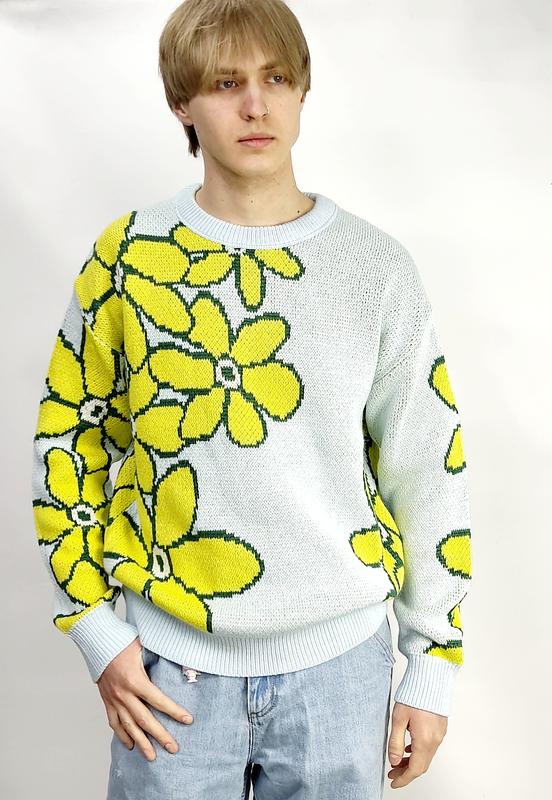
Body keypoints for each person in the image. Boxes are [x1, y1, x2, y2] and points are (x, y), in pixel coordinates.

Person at [30, 0, 473, 797]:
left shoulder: (375, 270)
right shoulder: (128, 259)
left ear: (303, 90)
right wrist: (96, 630)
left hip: (342, 672)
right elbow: (69, 443)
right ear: (182, 103)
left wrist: (432, 663)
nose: (256, 105)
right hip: (169, 675)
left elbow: (427, 468)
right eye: (225, 83)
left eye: (275, 79)